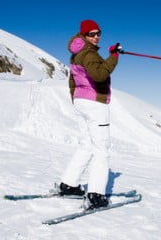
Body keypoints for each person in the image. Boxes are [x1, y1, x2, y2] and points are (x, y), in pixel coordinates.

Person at [58, 19, 119, 209]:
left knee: (86, 145)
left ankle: (69, 184)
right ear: (84, 35)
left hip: (82, 102)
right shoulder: (89, 54)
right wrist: (114, 56)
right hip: (95, 104)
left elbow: (72, 82)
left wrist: (76, 100)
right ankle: (95, 195)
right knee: (101, 149)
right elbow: (100, 75)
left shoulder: (77, 54)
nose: (96, 36)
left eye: (98, 33)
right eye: (91, 34)